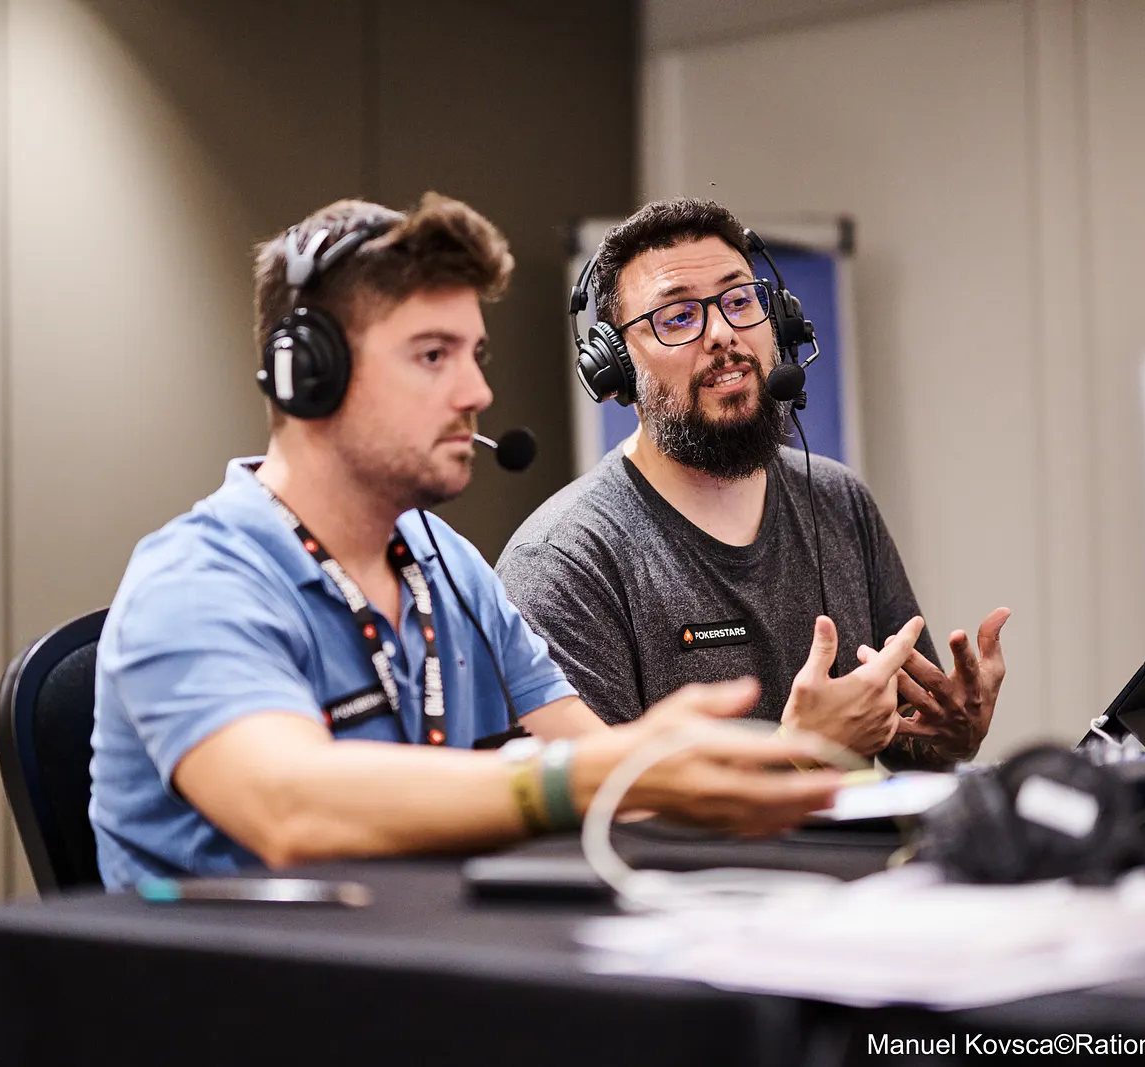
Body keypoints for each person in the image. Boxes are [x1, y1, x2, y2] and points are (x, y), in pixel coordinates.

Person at [88, 194, 875, 890]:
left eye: (474, 354)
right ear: (309, 373)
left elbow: (618, 788)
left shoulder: (445, 566)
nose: (477, 392)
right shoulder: (195, 582)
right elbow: (291, 810)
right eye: (433, 355)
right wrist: (572, 781)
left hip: (421, 968)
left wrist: (775, 758)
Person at [497, 198, 1009, 771]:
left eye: (740, 301)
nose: (722, 334)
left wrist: (947, 737)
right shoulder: (563, 562)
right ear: (615, 368)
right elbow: (606, 806)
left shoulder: (838, 499)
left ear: (780, 324)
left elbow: (906, 742)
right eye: (678, 317)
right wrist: (796, 754)